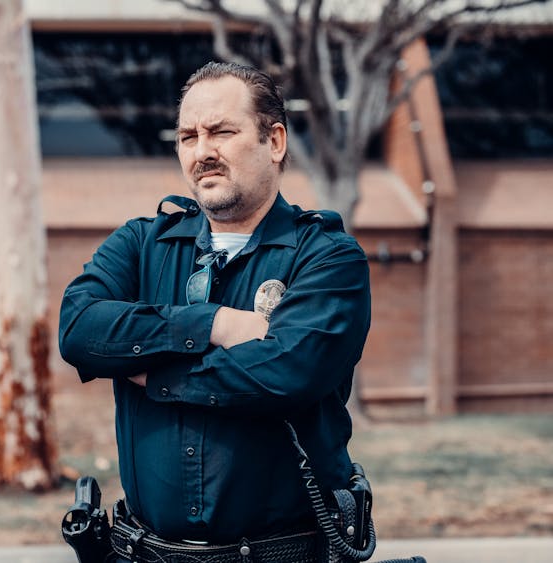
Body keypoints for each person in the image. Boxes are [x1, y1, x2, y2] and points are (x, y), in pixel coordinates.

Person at [59, 61, 371, 563]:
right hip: (144, 553)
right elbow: (78, 330)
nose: (202, 151)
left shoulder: (329, 257)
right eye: (187, 136)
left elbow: (288, 372)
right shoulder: (141, 244)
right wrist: (215, 324)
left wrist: (151, 371)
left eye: (222, 132)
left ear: (274, 141)